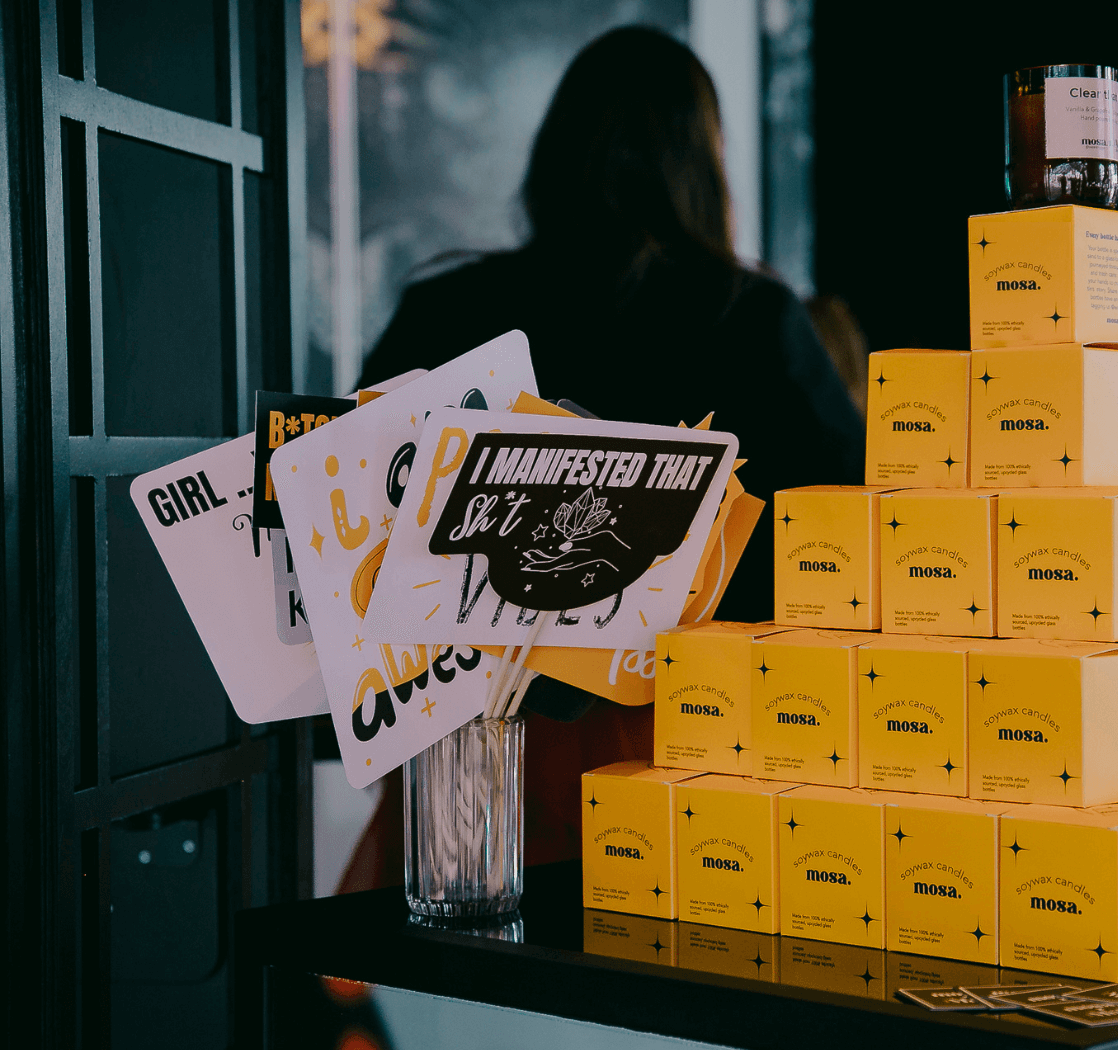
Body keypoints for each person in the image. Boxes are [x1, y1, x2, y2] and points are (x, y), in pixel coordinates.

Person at [340, 26, 862, 891]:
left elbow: (348, 519)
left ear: (552, 154)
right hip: (682, 740)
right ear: (704, 164)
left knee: (459, 954)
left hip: (468, 740)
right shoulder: (752, 318)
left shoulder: (444, 307)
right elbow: (847, 539)